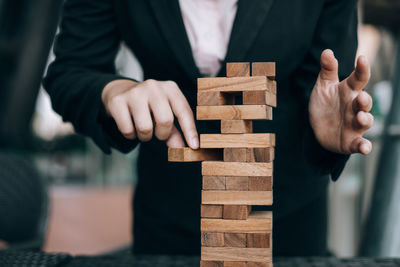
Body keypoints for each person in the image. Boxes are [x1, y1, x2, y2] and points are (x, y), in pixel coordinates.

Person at [43, 0, 373, 256]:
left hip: (286, 219)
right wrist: (113, 91)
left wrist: (324, 136)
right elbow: (71, 71)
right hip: (168, 214)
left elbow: (326, 88)